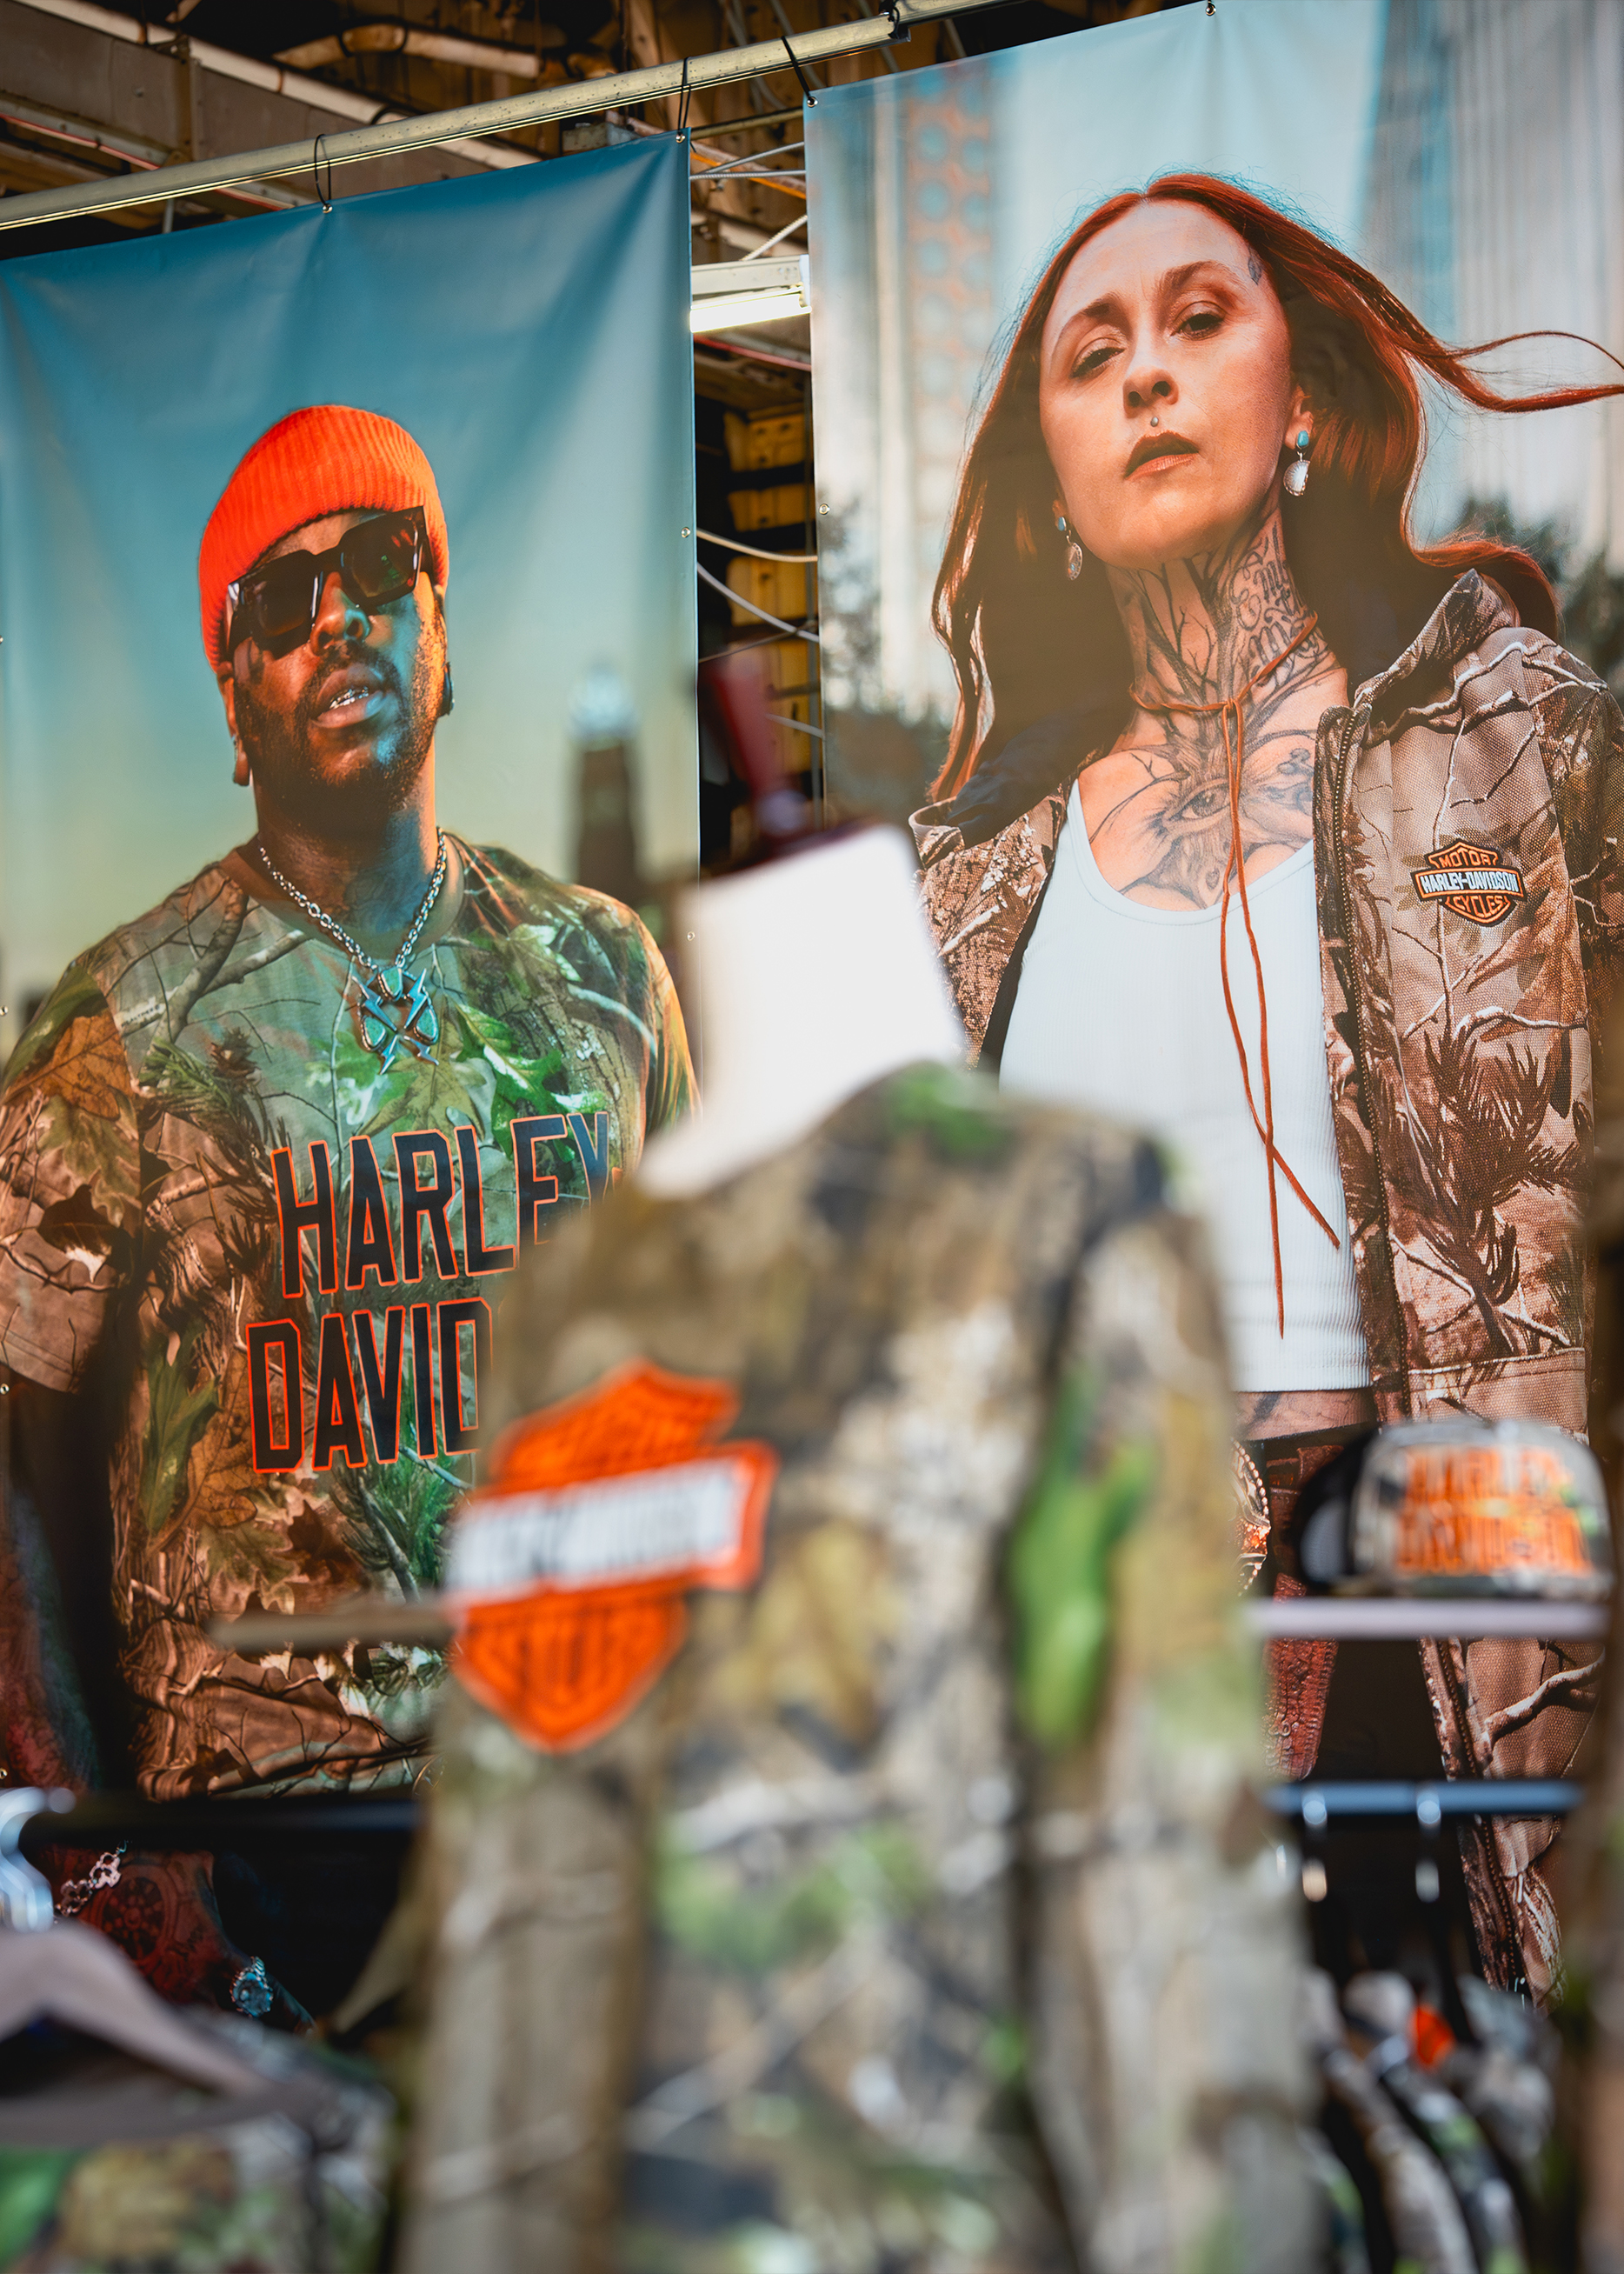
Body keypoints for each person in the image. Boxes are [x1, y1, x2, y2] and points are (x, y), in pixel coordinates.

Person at [912, 175, 1624, 2001]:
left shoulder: (1513, 741)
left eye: (1195, 322)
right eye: (1093, 352)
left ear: (1301, 398)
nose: (1145, 374)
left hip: (1451, 1601)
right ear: (1050, 472)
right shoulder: (967, 875)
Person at [0, 403, 694, 2021]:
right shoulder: (122, 1025)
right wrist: (108, 1873)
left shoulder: (602, 972)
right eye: (277, 596)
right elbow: (14, 1485)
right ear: (236, 698)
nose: (335, 614)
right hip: (261, 1844)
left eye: (381, 564)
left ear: (440, 633)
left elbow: (692, 1386)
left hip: (582, 1787)